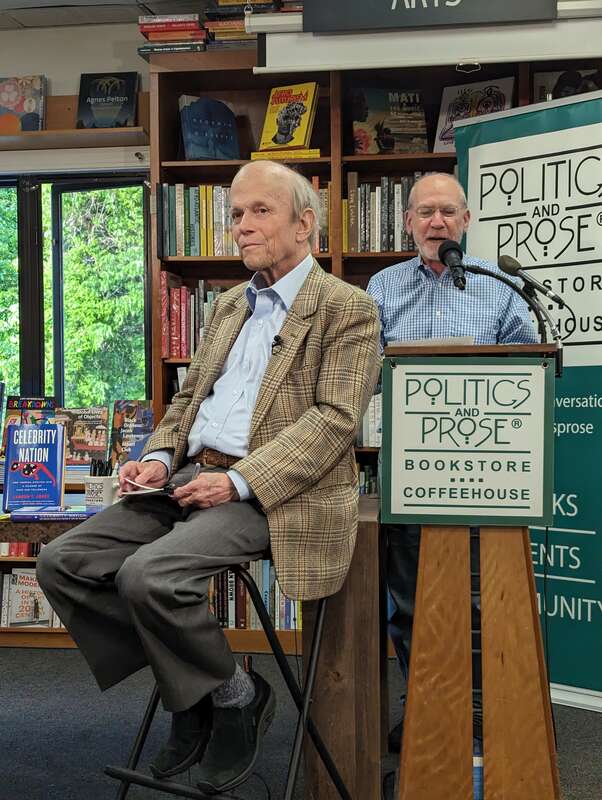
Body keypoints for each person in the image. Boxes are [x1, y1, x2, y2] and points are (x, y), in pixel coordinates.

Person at [37, 160, 380, 794]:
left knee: (149, 576)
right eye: (235, 214)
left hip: (271, 493)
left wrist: (240, 481)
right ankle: (220, 692)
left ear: (305, 224)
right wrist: (159, 457)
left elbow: (335, 421)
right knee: (63, 562)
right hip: (191, 475)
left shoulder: (347, 309)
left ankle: (205, 695)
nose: (241, 225)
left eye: (260, 211)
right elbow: (188, 398)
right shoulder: (226, 305)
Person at [366, 172, 538, 753]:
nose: (436, 222)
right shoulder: (383, 287)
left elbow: (529, 366)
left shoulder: (497, 284)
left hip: (487, 475)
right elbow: (363, 372)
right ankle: (425, 710)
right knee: (411, 601)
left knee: (482, 601)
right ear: (408, 222)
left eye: (447, 212)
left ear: (466, 220)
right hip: (413, 473)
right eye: (425, 212)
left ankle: (483, 710)